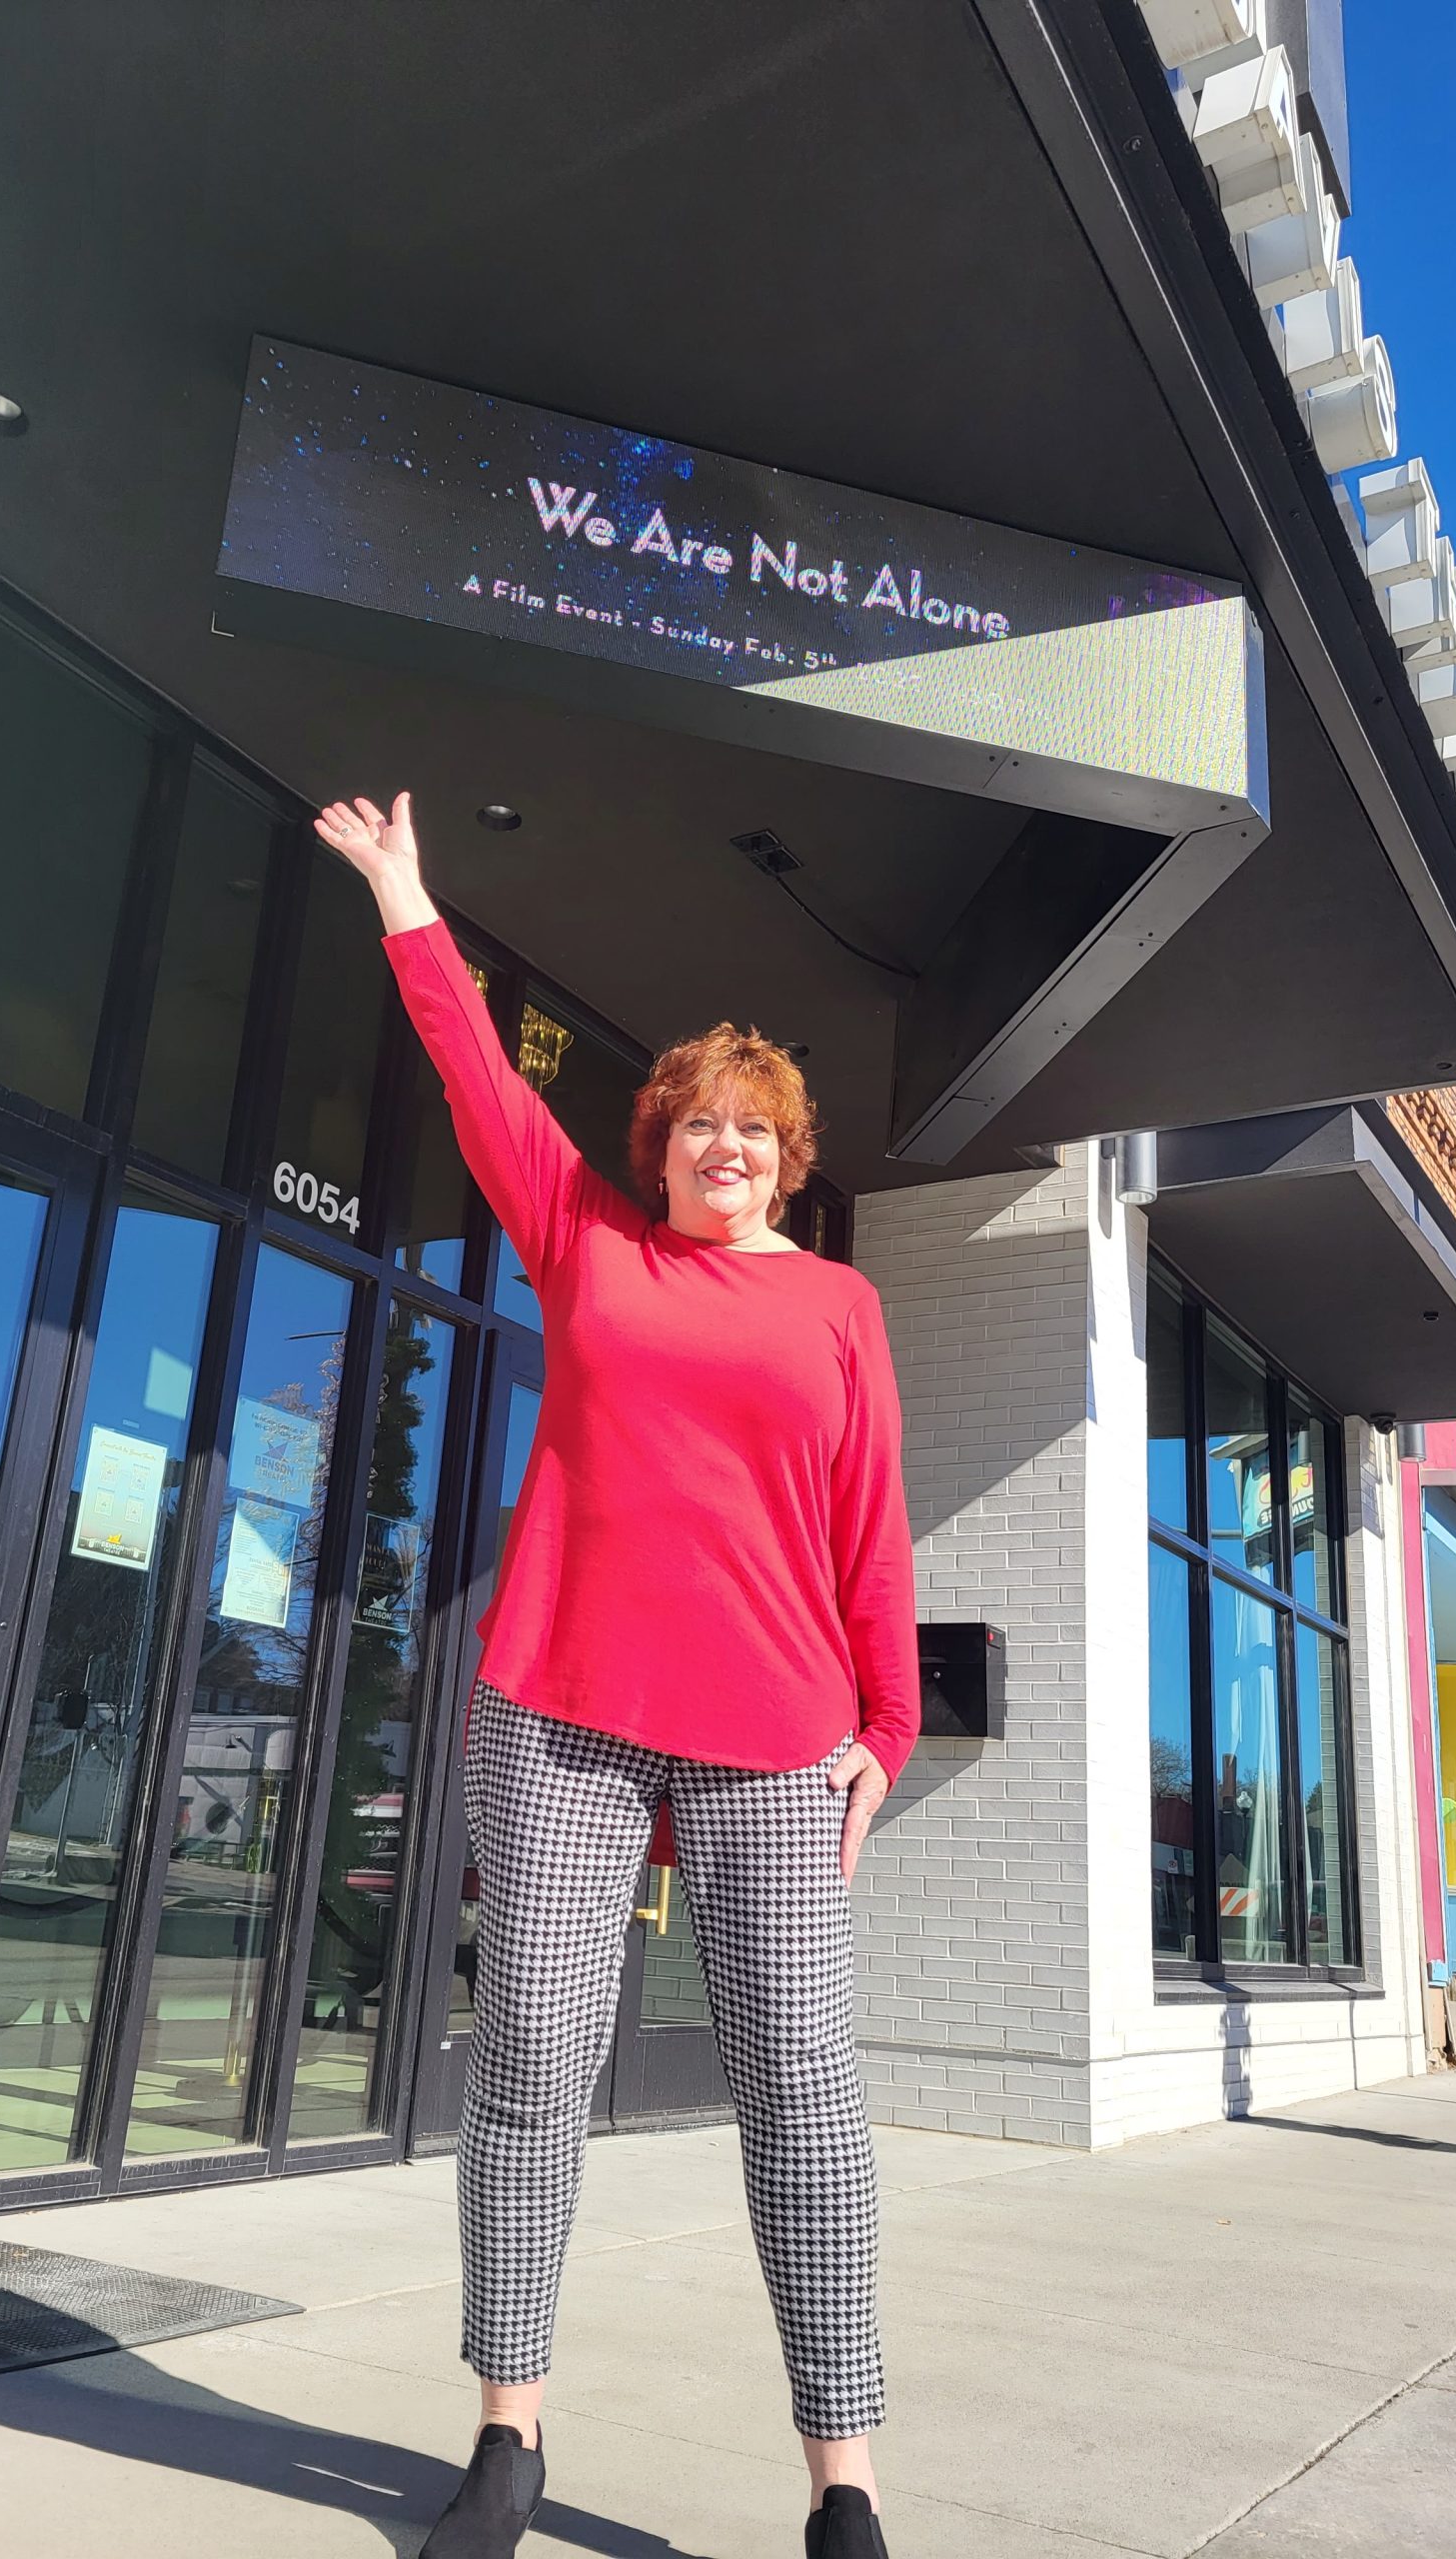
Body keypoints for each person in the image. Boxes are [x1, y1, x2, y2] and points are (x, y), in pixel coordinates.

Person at [314, 793, 920, 2559]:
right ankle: (507, 2441)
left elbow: (870, 1530)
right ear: (653, 1145)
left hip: (773, 1740)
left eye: (756, 1130)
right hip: (560, 1715)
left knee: (805, 2102)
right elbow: (482, 1087)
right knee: (533, 2070)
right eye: (698, 1124)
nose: (726, 1147)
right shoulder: (587, 1238)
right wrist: (410, 904)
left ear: (787, 1159)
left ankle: (845, 2488)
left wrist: (884, 1725)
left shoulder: (840, 1312)